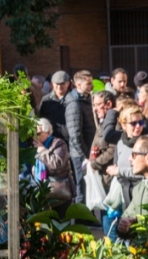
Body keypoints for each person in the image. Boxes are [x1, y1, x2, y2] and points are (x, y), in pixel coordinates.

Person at [89, 90, 121, 240]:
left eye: (97, 105)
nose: (95, 109)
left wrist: (95, 163)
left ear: (108, 104)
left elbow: (112, 150)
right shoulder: (103, 123)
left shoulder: (116, 123)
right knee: (105, 222)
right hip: (102, 179)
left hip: (110, 178)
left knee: (111, 223)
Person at [64, 70, 97, 204]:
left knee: (87, 186)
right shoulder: (74, 104)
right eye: (88, 84)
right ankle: (80, 219)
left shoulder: (85, 99)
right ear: (78, 84)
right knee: (81, 188)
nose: (92, 86)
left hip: (87, 151)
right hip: (80, 155)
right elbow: (75, 134)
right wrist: (85, 156)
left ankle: (87, 216)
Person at [32, 118, 74, 215]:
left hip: (59, 193)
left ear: (48, 132)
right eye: (33, 134)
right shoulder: (36, 146)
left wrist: (42, 151)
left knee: (60, 224)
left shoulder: (58, 143)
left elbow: (57, 163)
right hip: (44, 194)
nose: (35, 137)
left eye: (38, 134)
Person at [38, 70, 72, 143]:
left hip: (69, 141)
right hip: (50, 140)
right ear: (52, 84)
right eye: (57, 84)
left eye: (62, 83)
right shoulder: (46, 100)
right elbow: (40, 118)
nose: (59, 86)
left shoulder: (73, 101)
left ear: (68, 83)